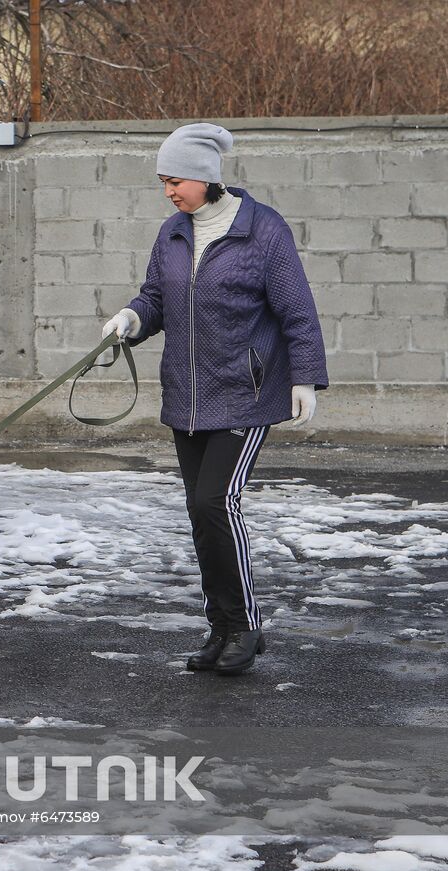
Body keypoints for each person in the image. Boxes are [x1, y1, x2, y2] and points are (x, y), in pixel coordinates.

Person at [101, 123, 328, 676]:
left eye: (175, 180)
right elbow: (157, 298)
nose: (169, 192)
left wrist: (306, 377)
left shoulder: (263, 230)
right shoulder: (173, 234)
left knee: (215, 505)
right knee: (201, 515)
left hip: (246, 396)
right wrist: (133, 318)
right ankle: (221, 627)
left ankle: (246, 626)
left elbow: (297, 309)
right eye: (164, 182)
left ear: (205, 177)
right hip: (188, 397)